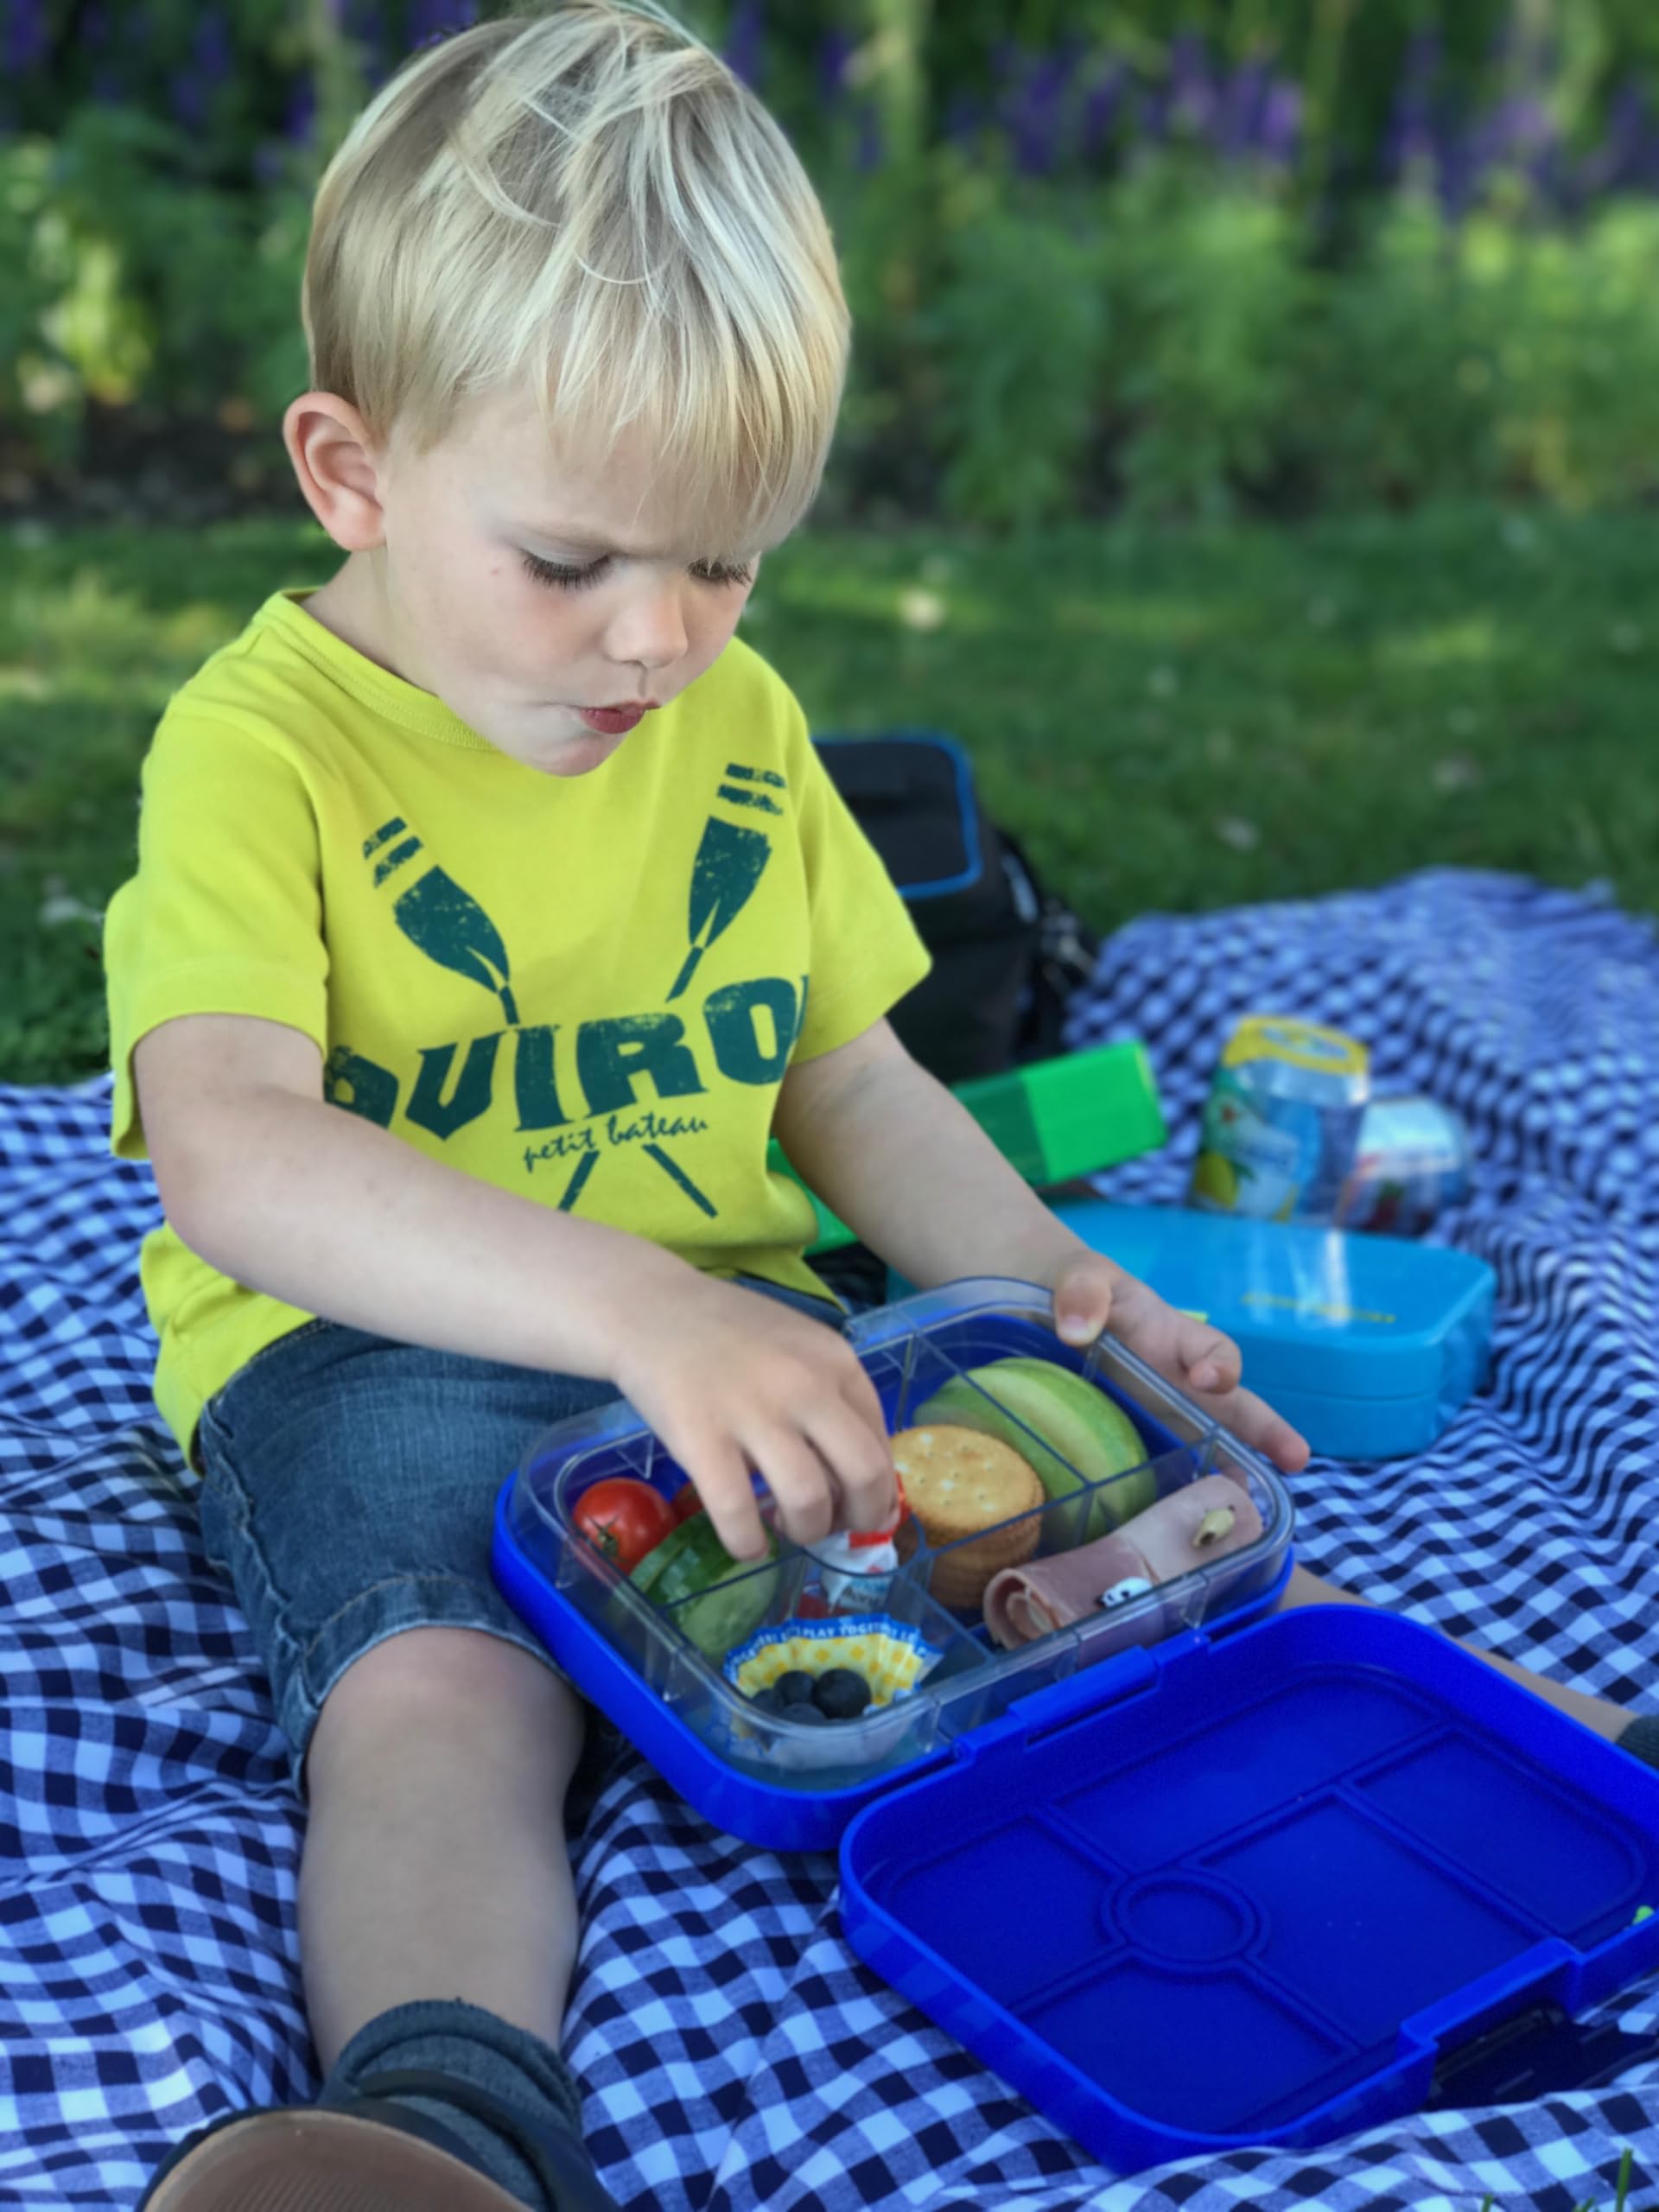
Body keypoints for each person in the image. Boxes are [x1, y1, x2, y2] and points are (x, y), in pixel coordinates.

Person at [106, 6, 1659, 2208]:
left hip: (758, 1340)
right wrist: (638, 1308)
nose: (657, 641)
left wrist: (1053, 1284)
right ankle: (444, 2115)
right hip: (379, 1354)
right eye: (573, 563)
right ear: (351, 472)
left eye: (725, 560)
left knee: (1148, 1563)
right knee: (448, 1697)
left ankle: (1568, 1775)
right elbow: (234, 1151)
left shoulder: (730, 716)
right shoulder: (263, 748)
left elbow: (847, 1075)